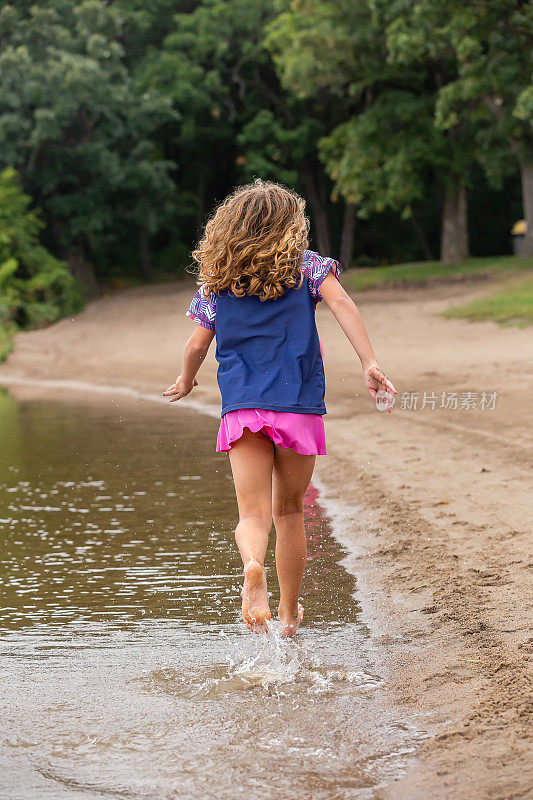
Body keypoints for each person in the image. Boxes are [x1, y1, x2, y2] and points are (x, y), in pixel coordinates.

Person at [163, 180, 396, 636]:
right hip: (298, 406)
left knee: (252, 515)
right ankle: (289, 617)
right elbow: (343, 303)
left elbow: (196, 343)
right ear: (292, 223)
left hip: (242, 410)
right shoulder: (308, 267)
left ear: (229, 226)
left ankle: (253, 566)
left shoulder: (217, 281)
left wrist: (187, 380)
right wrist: (369, 361)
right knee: (290, 512)